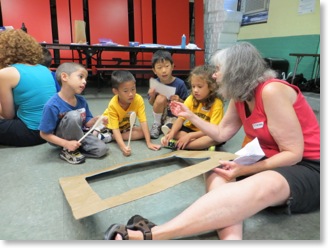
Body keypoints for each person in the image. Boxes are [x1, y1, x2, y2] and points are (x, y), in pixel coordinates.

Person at [103, 42, 320, 240]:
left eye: (218, 69)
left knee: (260, 184)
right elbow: (222, 133)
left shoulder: (272, 90)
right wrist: (189, 115)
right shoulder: (240, 96)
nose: (215, 76)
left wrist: (241, 171)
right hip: (267, 157)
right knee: (217, 168)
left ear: (236, 71)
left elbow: (293, 154)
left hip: (307, 166)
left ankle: (150, 236)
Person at [39, 62, 109, 164]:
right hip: (60, 138)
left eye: (85, 79)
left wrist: (95, 120)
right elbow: (44, 134)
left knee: (102, 150)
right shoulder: (52, 105)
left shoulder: (81, 100)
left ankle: (75, 148)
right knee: (74, 114)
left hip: (79, 133)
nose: (84, 82)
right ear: (64, 77)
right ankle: (67, 149)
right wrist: (66, 143)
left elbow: (86, 122)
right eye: (80, 77)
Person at [0, 29, 56, 147]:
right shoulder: (45, 69)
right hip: (51, 129)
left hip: (31, 132)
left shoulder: (6, 73)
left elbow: (7, 115)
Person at [161, 64, 224, 151]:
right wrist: (171, 134)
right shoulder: (190, 99)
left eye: (199, 86)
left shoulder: (217, 103)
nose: (195, 90)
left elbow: (214, 130)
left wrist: (189, 136)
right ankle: (201, 145)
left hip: (207, 132)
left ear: (211, 87)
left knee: (217, 138)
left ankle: (177, 144)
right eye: (193, 86)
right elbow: (180, 119)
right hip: (190, 129)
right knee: (170, 127)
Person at [100, 70, 161, 157]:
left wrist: (149, 143)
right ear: (116, 91)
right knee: (101, 120)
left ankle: (110, 137)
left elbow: (143, 121)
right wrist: (123, 147)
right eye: (125, 91)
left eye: (133, 89)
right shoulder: (113, 105)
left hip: (126, 127)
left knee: (144, 131)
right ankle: (105, 133)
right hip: (110, 127)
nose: (131, 94)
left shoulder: (138, 99)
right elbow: (115, 128)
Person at [148, 50, 189, 139]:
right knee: (160, 98)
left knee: (172, 131)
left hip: (175, 117)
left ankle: (167, 126)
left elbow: (188, 103)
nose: (164, 70)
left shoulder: (180, 83)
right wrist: (152, 96)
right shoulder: (155, 83)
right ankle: (157, 124)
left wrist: (179, 100)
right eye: (159, 67)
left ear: (172, 66)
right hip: (160, 114)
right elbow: (152, 103)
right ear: (154, 70)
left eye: (167, 66)